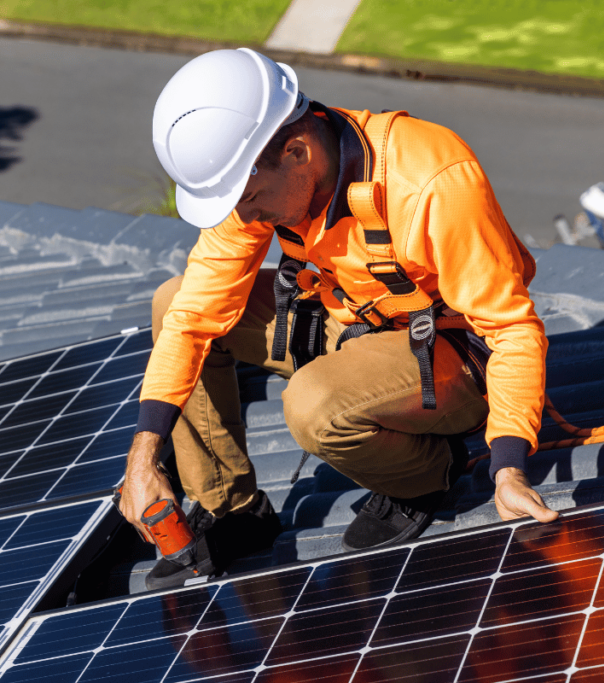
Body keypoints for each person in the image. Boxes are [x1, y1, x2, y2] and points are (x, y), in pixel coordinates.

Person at [117, 48, 559, 590]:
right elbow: (190, 317)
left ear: (298, 151)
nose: (246, 218)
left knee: (313, 404)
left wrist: (508, 466)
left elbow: (511, 331)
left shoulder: (431, 179)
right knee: (172, 299)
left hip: (452, 356)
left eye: (250, 198)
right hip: (353, 324)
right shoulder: (263, 181)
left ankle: (425, 475)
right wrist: (143, 457)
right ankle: (233, 508)